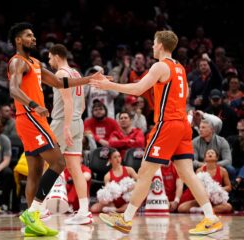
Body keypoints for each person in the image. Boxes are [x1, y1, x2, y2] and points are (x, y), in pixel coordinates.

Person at [91, 30, 222, 235]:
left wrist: (108, 85)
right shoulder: (179, 67)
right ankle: (211, 218)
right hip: (182, 124)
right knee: (187, 173)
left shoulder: (161, 65)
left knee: (145, 171)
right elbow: (184, 92)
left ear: (160, 44)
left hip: (168, 124)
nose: (152, 46)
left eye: (154, 43)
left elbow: (137, 89)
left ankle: (125, 219)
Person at [7, 22, 101, 237]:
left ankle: (32, 221)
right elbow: (13, 89)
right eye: (29, 36)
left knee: (35, 171)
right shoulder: (17, 62)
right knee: (59, 162)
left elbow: (60, 83)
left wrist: (88, 80)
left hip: (33, 119)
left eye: (33, 35)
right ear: (18, 40)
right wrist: (34, 105)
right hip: (30, 118)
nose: (34, 38)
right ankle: (34, 212)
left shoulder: (36, 63)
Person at [47, 43, 92, 224]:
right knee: (75, 168)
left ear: (57, 56)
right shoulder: (76, 73)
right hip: (77, 121)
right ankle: (84, 212)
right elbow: (81, 104)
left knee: (46, 163)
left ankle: (39, 209)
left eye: (50, 58)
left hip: (62, 123)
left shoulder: (61, 73)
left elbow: (67, 101)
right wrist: (74, 122)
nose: (49, 62)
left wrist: (65, 126)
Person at [178, 149, 233, 214]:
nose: (210, 154)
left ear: (217, 158)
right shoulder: (199, 170)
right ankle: (205, 210)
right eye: (208, 153)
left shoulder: (223, 171)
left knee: (228, 207)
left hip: (216, 200)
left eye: (212, 153)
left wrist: (216, 190)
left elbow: (229, 187)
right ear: (204, 158)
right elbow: (196, 186)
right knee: (181, 208)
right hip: (202, 199)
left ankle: (202, 211)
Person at [90, 148, 138, 213]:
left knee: (133, 204)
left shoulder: (129, 170)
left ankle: (116, 210)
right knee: (93, 209)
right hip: (115, 201)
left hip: (127, 201)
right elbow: (108, 195)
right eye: (115, 157)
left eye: (119, 156)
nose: (118, 159)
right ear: (110, 160)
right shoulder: (107, 176)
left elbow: (140, 181)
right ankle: (114, 208)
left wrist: (133, 186)